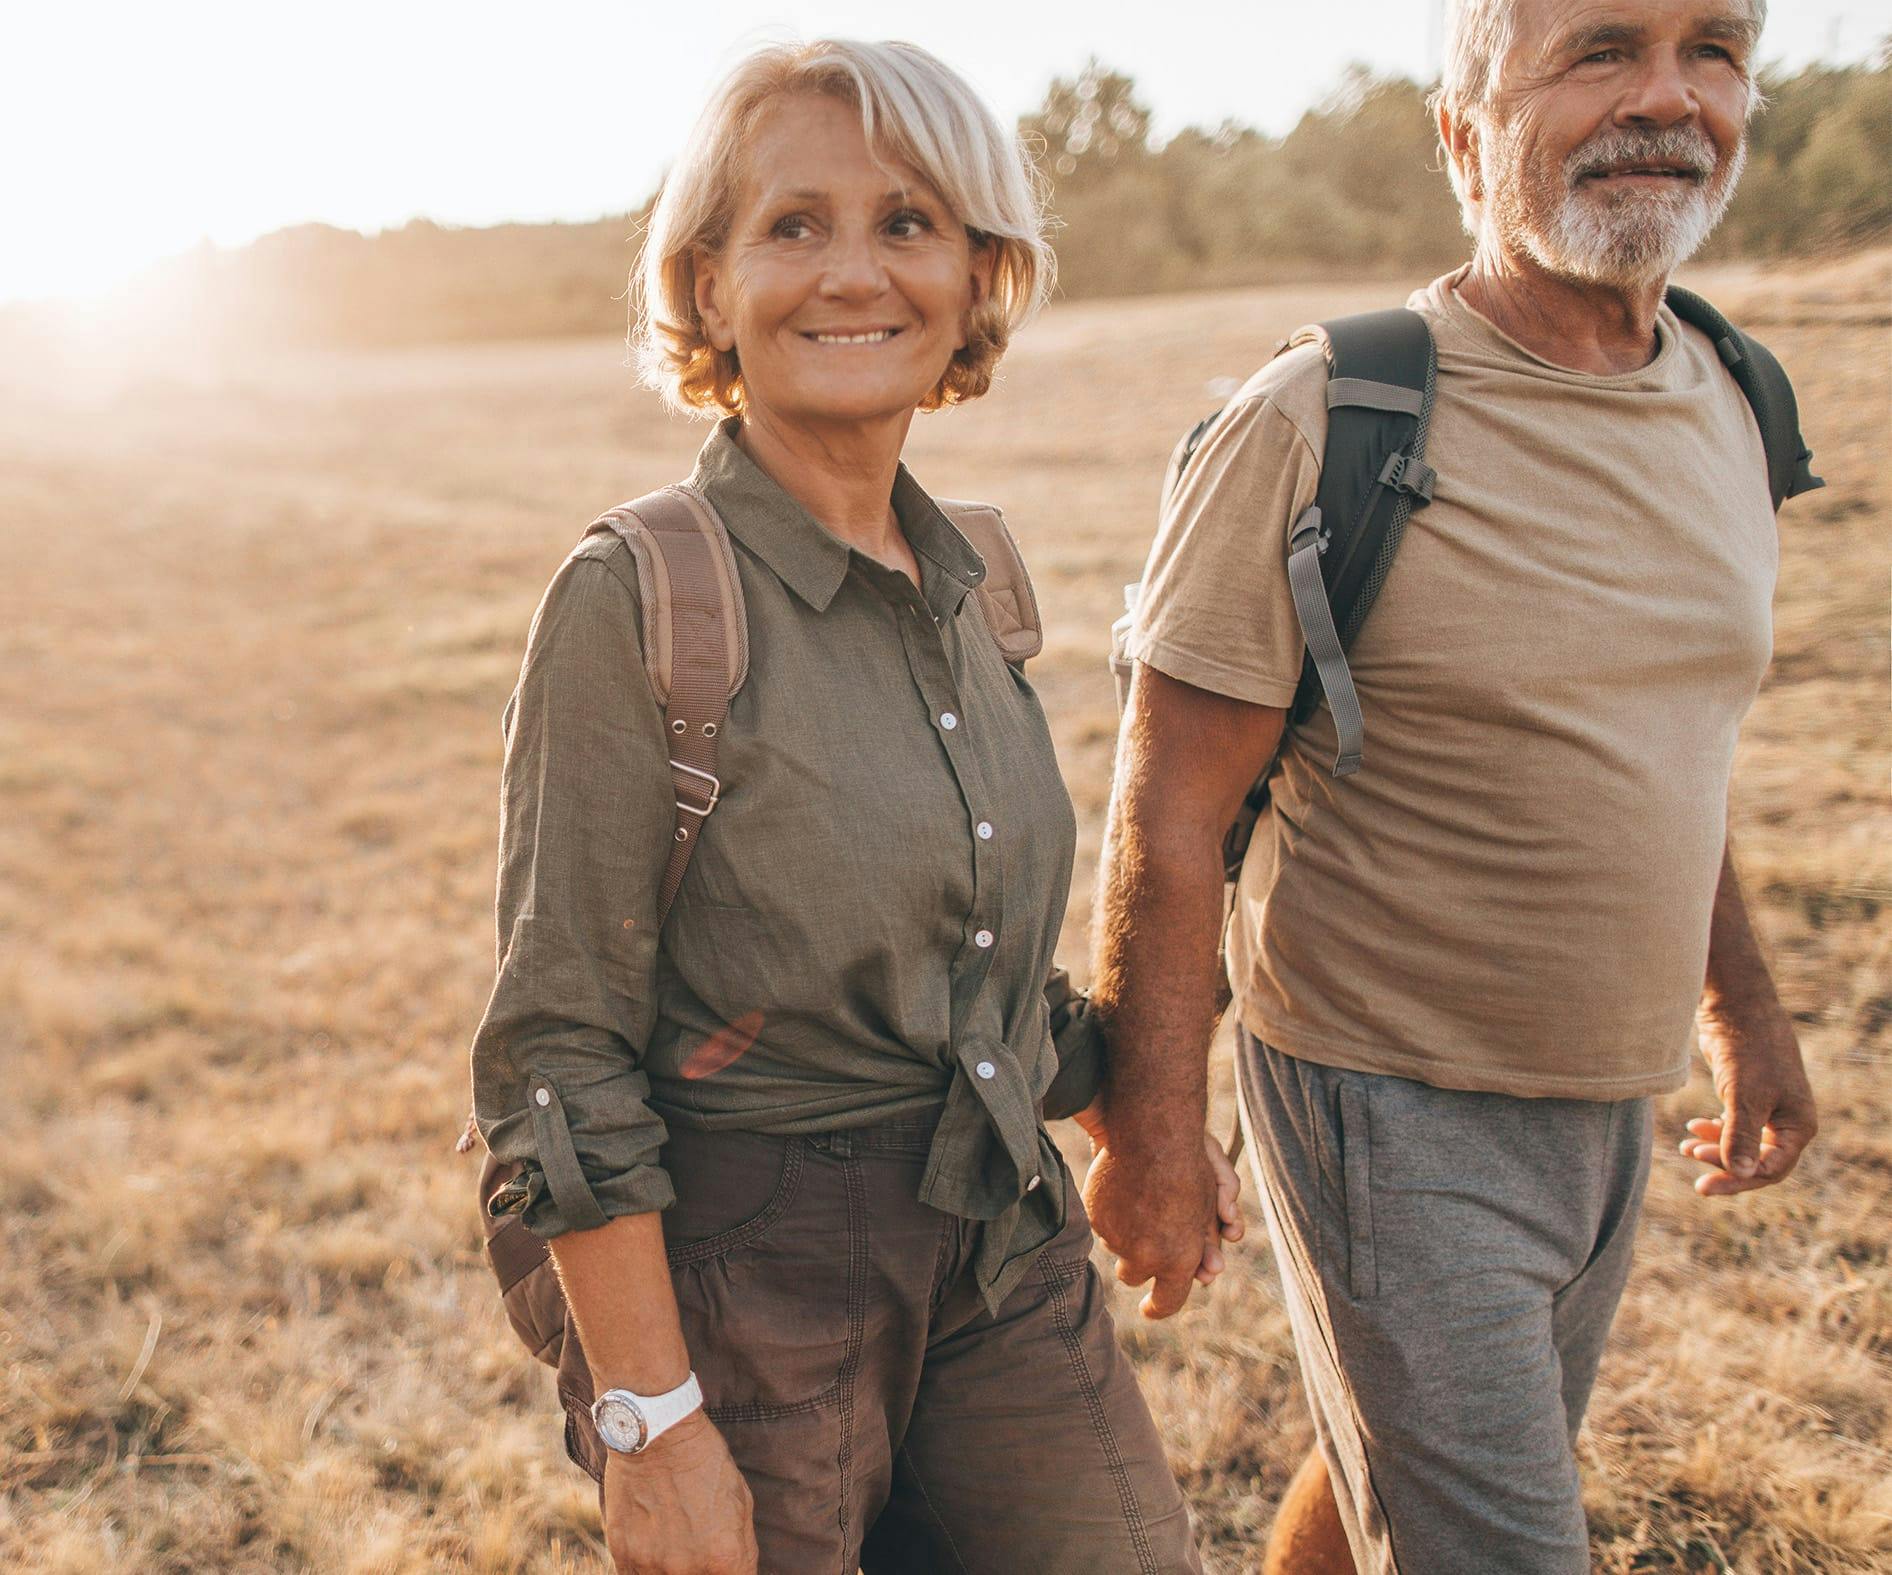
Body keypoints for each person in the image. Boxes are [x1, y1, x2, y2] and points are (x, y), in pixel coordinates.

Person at [468, 39, 1234, 1575]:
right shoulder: (641, 595)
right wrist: (650, 1421)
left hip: (1001, 1248)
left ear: (977, 276)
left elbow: (976, 963)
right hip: (750, 1291)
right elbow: (558, 1053)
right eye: (794, 225)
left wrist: (1144, 1114)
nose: (853, 272)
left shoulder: (974, 582)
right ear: (709, 284)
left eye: (907, 223)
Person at [1082, 1, 1820, 1571]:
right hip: (1386, 1100)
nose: (1668, 97)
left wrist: (1744, 1010)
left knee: (1410, 1477)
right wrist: (1150, 1128)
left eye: (1713, 49)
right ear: (1463, 135)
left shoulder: (1730, 392)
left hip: (1609, 1102)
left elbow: (1667, 746)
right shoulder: (1320, 419)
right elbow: (1169, 807)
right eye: (1601, 49)